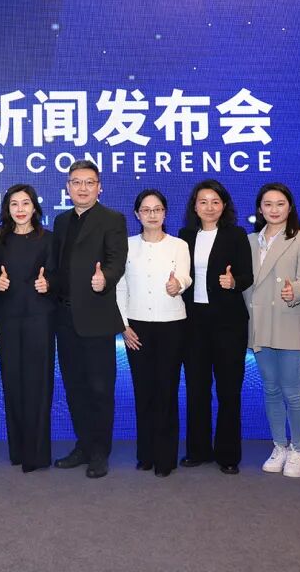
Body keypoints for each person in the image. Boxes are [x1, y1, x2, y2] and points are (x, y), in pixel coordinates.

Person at [50, 160, 128, 479]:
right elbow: (56, 267)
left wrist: (104, 278)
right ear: (68, 187)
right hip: (64, 317)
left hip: (96, 317)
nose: (82, 188)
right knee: (75, 387)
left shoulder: (113, 219)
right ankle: (83, 445)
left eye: (89, 182)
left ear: (99, 187)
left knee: (100, 388)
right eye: (76, 182)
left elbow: (117, 261)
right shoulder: (61, 221)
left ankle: (99, 452)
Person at [179, 179, 253, 475]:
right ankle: (198, 450)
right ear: (194, 206)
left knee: (228, 390)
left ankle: (228, 454)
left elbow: (247, 276)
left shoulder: (236, 235)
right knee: (196, 388)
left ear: (224, 205)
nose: (209, 207)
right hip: (193, 322)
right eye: (203, 202)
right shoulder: (185, 236)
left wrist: (234, 282)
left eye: (215, 201)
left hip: (228, 323)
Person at [244, 183, 300, 478]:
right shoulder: (249, 241)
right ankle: (279, 446)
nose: (274, 209)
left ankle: (297, 449)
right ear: (260, 209)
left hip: (288, 321)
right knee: (271, 389)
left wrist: (295, 290)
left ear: (290, 207)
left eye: (280, 204)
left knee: (292, 392)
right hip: (259, 323)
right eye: (268, 204)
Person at [117, 189, 192, 477]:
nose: (152, 214)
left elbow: (185, 275)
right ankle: (145, 454)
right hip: (136, 327)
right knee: (143, 390)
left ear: (165, 213)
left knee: (166, 391)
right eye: (146, 210)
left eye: (157, 209)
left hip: (171, 324)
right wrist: (123, 325)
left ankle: (165, 458)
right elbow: (120, 288)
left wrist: (178, 285)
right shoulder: (127, 245)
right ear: (137, 214)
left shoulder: (178, 245)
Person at [0, 183, 55, 473]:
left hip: (39, 319)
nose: (20, 209)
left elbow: (59, 276)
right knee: (12, 383)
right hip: (7, 319)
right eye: (14, 204)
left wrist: (48, 284)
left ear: (34, 207)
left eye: (26, 203)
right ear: (8, 209)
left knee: (38, 386)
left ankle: (37, 454)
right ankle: (17, 450)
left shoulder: (48, 239)